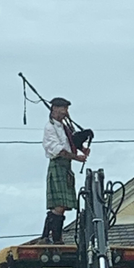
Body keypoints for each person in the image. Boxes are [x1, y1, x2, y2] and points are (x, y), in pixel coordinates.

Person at [41, 97, 90, 244]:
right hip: (58, 164)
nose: (65, 112)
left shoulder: (64, 127)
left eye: (67, 109)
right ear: (54, 108)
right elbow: (59, 151)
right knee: (59, 205)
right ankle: (51, 237)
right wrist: (77, 157)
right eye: (63, 109)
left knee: (62, 206)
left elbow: (71, 141)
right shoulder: (49, 127)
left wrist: (83, 148)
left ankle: (53, 237)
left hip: (66, 166)